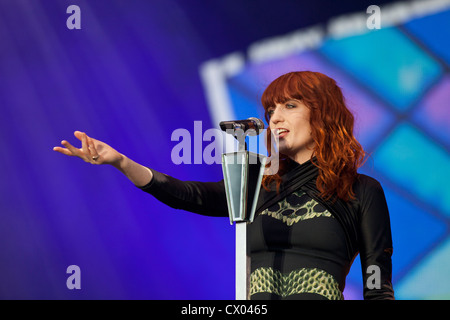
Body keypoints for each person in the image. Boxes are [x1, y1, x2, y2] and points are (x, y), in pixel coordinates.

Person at [53, 71, 394, 300]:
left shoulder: (362, 191)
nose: (274, 118)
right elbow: (190, 196)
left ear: (324, 114)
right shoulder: (257, 184)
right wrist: (121, 162)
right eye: (270, 109)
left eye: (290, 106)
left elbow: (378, 284)